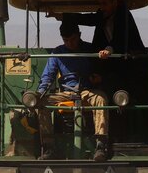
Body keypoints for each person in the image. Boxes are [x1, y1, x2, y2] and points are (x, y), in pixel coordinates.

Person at [36, 20, 110, 162]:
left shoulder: (90, 49)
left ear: (79, 35)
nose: (70, 43)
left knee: (101, 99)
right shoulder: (57, 53)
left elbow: (102, 71)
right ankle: (49, 147)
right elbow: (48, 77)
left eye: (73, 39)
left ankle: (100, 145)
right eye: (66, 40)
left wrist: (98, 78)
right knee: (41, 103)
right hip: (66, 93)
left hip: (87, 92)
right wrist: (40, 92)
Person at [72, 0, 145, 58]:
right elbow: (89, 19)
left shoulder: (123, 15)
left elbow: (120, 37)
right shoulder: (102, 14)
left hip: (131, 60)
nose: (102, 7)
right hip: (113, 60)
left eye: (105, 4)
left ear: (115, 3)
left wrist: (108, 49)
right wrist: (66, 17)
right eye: (100, 4)